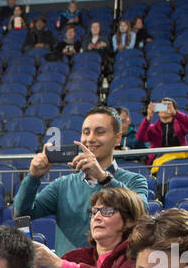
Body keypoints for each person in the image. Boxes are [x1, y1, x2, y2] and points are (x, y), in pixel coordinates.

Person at [13, 106, 151, 255]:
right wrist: (33, 177)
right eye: (86, 132)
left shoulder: (135, 181)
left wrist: (103, 177)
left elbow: (141, 212)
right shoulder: (62, 185)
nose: (90, 139)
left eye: (100, 132)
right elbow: (21, 212)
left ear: (118, 138)